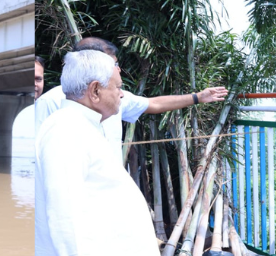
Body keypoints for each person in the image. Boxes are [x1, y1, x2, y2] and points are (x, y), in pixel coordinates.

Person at [35, 50, 175, 256]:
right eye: (118, 87)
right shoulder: (66, 133)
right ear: (95, 91)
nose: (122, 95)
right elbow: (63, 211)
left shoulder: (81, 127)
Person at [35, 36, 228, 166]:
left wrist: (197, 97)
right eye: (114, 64)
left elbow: (153, 104)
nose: (118, 70)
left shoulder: (116, 97)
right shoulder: (51, 103)